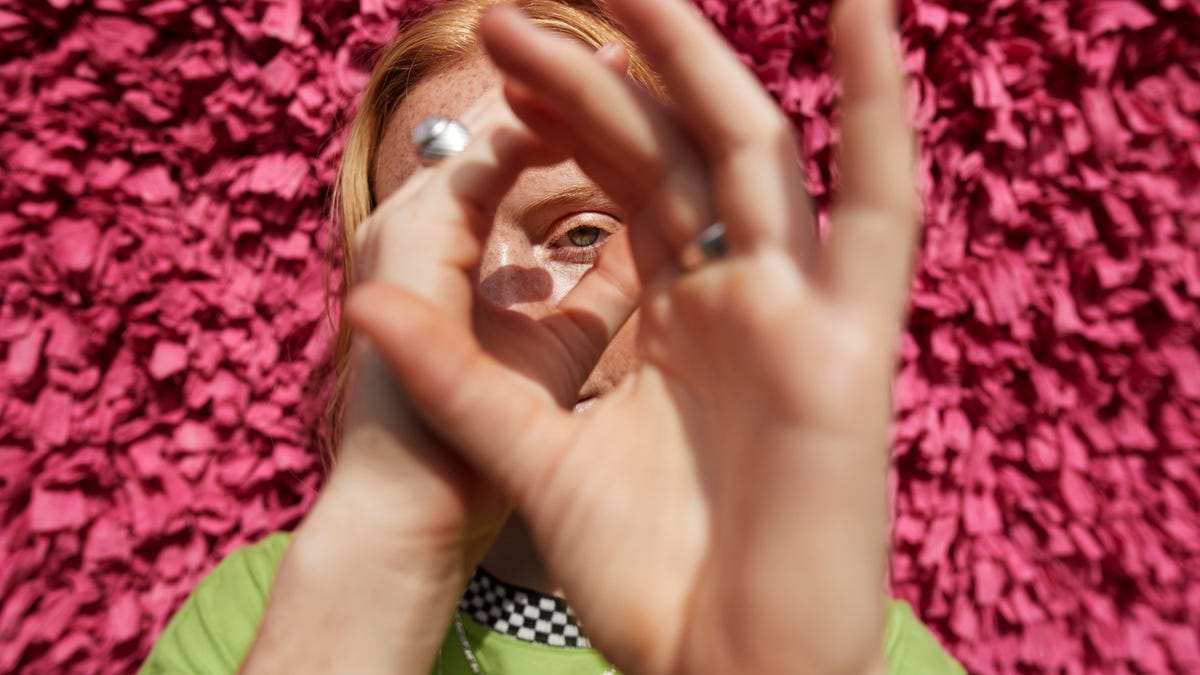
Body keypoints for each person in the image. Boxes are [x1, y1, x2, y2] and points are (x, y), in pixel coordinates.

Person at [141, 0, 966, 672]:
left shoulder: (858, 651)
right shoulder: (258, 619)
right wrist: (381, 564)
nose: (501, 302)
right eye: (440, 247)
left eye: (580, 233)